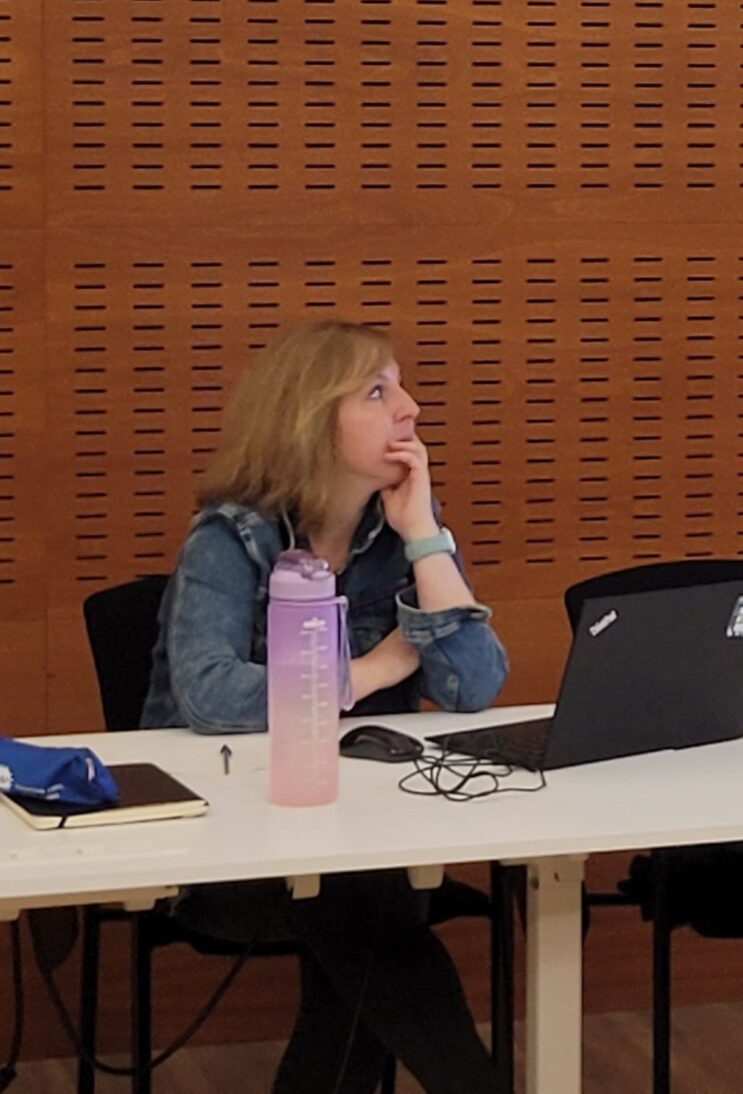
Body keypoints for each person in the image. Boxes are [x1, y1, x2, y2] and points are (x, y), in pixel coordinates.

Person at [141, 320, 510, 1094]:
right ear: (309, 419)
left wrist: (424, 535)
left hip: (365, 836)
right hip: (230, 851)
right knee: (368, 916)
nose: (409, 408)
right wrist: (375, 669)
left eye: (400, 387)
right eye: (377, 392)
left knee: (364, 923)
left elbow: (475, 685)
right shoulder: (231, 539)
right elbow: (210, 695)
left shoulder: (397, 535)